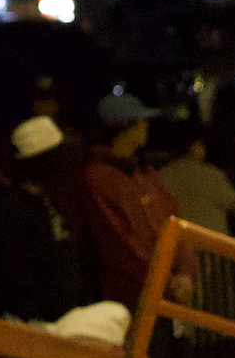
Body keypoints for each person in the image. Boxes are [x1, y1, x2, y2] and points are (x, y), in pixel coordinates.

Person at [82, 93, 196, 308]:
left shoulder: (141, 172)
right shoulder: (100, 178)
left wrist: (185, 271)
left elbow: (174, 220)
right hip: (135, 300)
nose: (147, 126)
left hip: (166, 292)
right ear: (126, 126)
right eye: (142, 121)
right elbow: (119, 244)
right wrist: (167, 279)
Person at [0, 116, 98, 324]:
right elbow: (16, 280)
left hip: (69, 317)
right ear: (43, 161)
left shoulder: (51, 201)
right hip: (38, 325)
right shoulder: (12, 210)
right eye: (60, 155)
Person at [155, 124, 235, 236]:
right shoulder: (208, 174)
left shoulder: (162, 175)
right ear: (194, 147)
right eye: (201, 145)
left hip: (177, 245)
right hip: (211, 247)